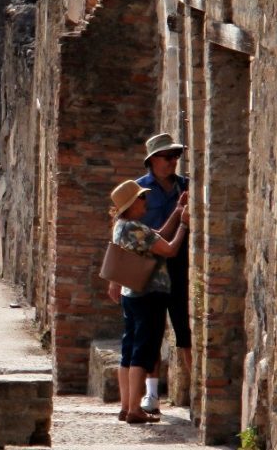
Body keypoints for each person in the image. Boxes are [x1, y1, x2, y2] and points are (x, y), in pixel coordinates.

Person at [106, 179, 188, 425]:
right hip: (149, 295)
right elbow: (170, 248)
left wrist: (175, 212)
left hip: (132, 294)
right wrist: (184, 223)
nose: (146, 201)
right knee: (142, 352)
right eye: (141, 198)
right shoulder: (135, 228)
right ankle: (134, 409)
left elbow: (158, 236)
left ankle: (125, 406)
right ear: (131, 205)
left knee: (129, 350)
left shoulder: (123, 227)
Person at [134, 133, 191, 415]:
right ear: (152, 160)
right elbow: (134, 235)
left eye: (176, 157)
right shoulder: (138, 191)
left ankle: (196, 392)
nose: (173, 162)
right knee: (152, 331)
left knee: (185, 329)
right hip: (151, 268)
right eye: (168, 157)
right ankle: (152, 394)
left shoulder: (186, 186)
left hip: (181, 266)